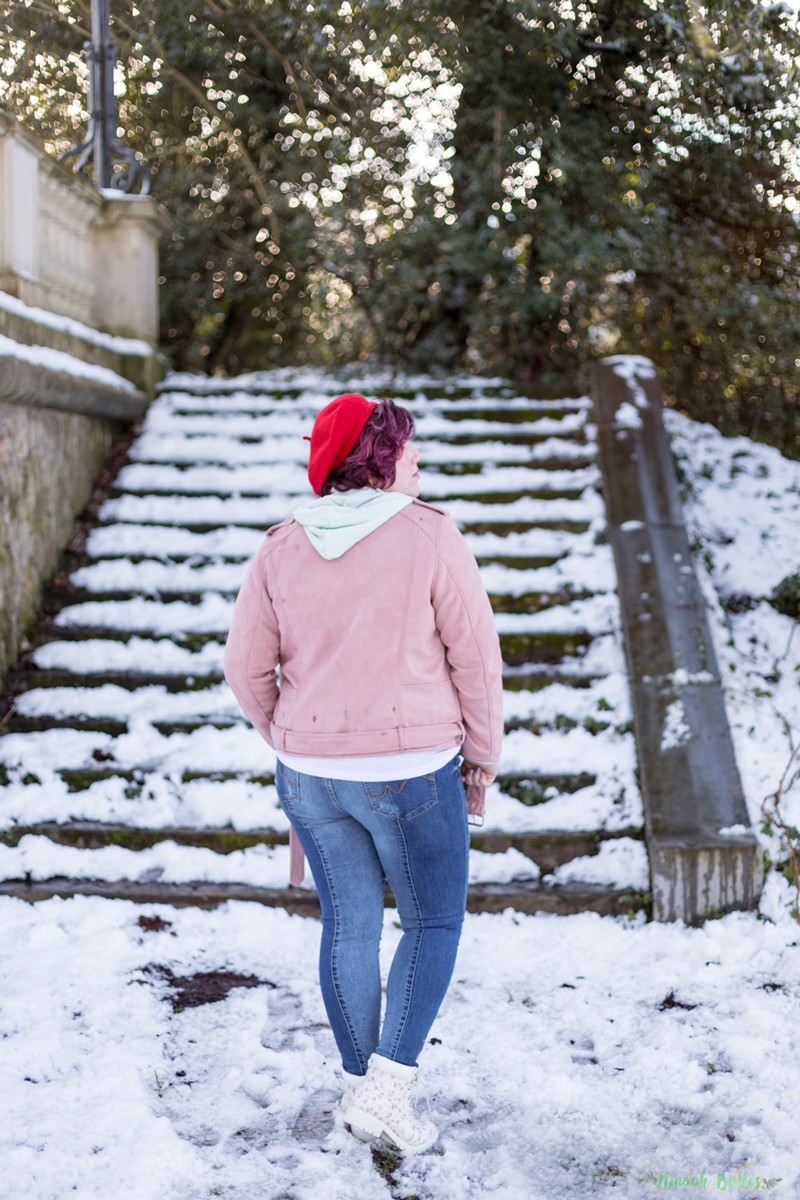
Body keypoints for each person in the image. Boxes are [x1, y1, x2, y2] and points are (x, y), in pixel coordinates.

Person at [224, 391, 503, 1153]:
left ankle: (360, 1086)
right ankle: (386, 1091)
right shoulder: (429, 535)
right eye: (409, 448)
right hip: (411, 770)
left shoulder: (281, 545)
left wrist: (288, 733)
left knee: (348, 923)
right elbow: (475, 661)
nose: (419, 461)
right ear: (380, 458)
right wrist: (481, 754)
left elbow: (244, 667)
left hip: (309, 773)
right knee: (432, 921)